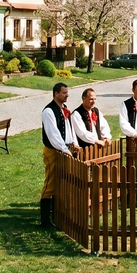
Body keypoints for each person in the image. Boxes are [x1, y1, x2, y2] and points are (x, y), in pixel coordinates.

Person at [40, 82, 76, 227]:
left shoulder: (64, 109)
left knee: (62, 183)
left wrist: (73, 144)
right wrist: (63, 148)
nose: (67, 95)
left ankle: (57, 214)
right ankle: (45, 220)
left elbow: (68, 128)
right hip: (54, 151)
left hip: (64, 150)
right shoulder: (49, 111)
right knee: (50, 183)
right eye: (64, 93)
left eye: (67, 92)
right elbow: (53, 134)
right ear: (55, 94)